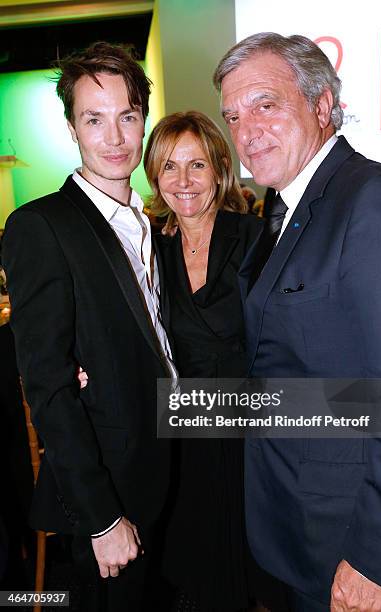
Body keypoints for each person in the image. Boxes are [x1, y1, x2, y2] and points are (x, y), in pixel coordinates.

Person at [213, 32, 381, 612]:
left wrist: (376, 556)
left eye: (265, 104)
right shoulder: (285, 204)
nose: (246, 131)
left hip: (346, 537)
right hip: (295, 521)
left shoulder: (370, 199)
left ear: (322, 105)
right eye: (233, 115)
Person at [2, 42, 176, 612]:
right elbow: (49, 389)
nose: (115, 137)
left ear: (143, 121)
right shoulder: (41, 226)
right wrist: (102, 520)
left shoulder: (148, 225)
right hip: (106, 499)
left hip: (164, 472)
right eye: (94, 119)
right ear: (73, 128)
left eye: (128, 117)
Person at [144, 110, 288, 612]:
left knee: (257, 575)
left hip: (252, 437)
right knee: (193, 573)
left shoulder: (254, 240)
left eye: (197, 165)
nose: (183, 182)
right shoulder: (148, 251)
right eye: (169, 167)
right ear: (154, 175)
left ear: (220, 169)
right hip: (184, 438)